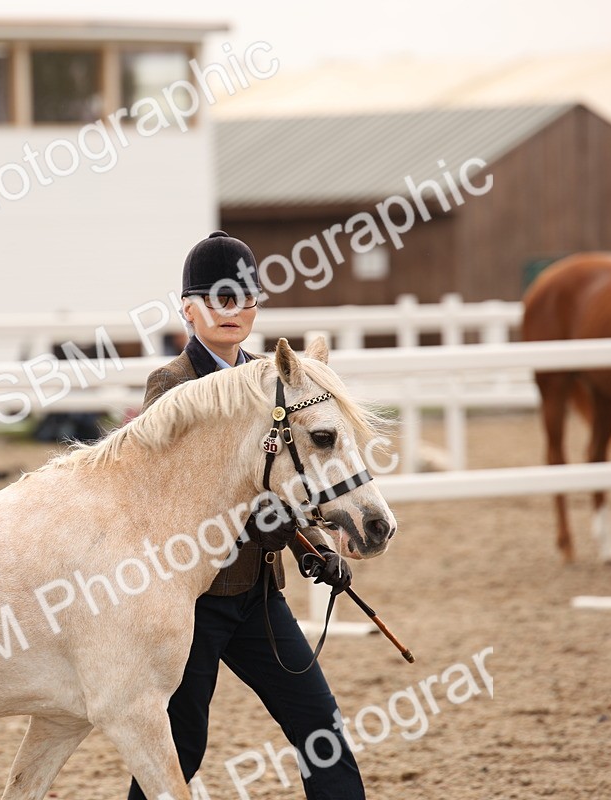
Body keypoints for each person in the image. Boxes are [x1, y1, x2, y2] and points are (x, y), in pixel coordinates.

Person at [127, 231, 365, 800]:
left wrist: (316, 546)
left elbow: (290, 475)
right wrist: (253, 520)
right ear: (188, 310)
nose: (233, 311)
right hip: (194, 600)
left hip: (259, 594)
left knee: (319, 725)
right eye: (218, 299)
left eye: (244, 299)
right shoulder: (172, 384)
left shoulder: (273, 379)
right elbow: (160, 493)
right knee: (182, 746)